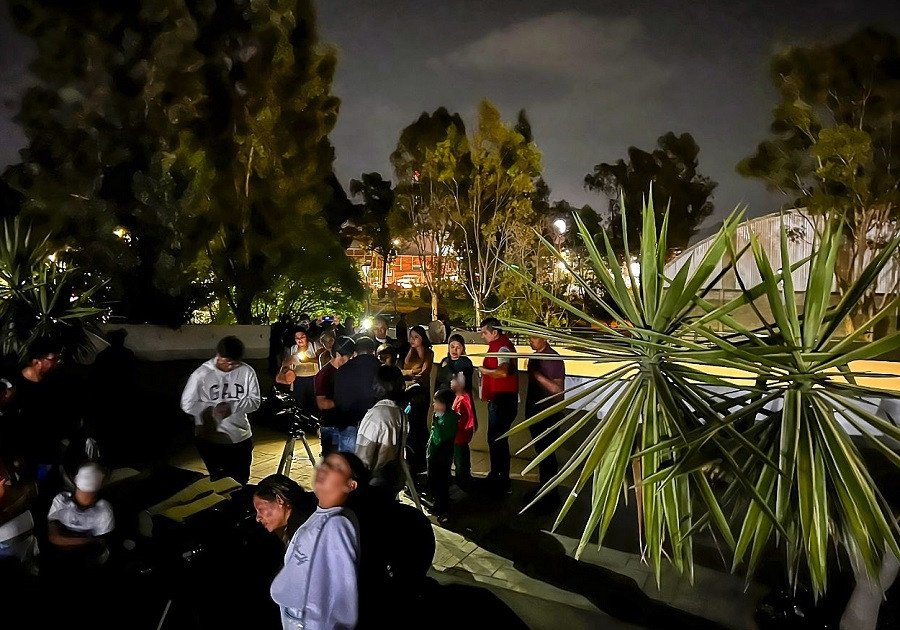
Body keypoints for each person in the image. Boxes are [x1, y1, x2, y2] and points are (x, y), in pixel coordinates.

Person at [270, 452, 367, 630]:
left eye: (336, 467)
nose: (324, 468)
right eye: (325, 463)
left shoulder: (337, 524)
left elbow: (339, 594)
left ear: (350, 485)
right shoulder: (323, 513)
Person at [180, 336, 261, 485]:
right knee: (219, 483)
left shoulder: (247, 371)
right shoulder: (201, 374)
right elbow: (186, 403)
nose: (231, 367)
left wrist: (232, 406)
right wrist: (209, 410)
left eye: (235, 363)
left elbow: (255, 402)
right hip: (211, 440)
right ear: (218, 355)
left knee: (241, 480)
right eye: (227, 362)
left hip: (241, 437)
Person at [478, 318, 519, 493]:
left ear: (495, 333)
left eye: (484, 332)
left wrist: (484, 371)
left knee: (497, 440)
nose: (482, 336)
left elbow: (503, 372)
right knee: (496, 440)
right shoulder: (502, 346)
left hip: (501, 401)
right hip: (501, 400)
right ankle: (498, 476)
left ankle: (501, 479)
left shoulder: (502, 348)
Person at [525, 330, 566, 504]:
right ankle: (543, 489)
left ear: (545, 338)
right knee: (541, 454)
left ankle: (550, 496)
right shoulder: (535, 358)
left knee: (548, 455)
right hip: (535, 412)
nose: (530, 341)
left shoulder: (553, 359)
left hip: (549, 414)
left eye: (534, 337)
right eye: (529, 337)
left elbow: (558, 391)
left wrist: (537, 375)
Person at [46, 463, 115, 564]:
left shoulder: (104, 510)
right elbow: (54, 537)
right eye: (82, 492)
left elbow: (101, 544)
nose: (86, 496)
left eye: (89, 494)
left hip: (87, 557)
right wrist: (86, 541)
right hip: (62, 554)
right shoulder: (61, 501)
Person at [355, 366, 407, 495]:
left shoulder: (376, 415)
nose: (373, 386)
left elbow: (363, 457)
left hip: (375, 483)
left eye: (376, 382)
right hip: (395, 478)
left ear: (387, 386)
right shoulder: (400, 412)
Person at [332, 337, 380, 453]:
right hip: (374, 423)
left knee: (348, 462)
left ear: (355, 353)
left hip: (348, 422)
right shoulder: (381, 369)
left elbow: (338, 400)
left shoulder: (342, 370)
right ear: (373, 352)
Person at [315, 337, 356, 457]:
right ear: (338, 354)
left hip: (349, 424)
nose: (351, 360)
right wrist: (344, 401)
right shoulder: (324, 374)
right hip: (331, 426)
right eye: (349, 357)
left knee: (349, 463)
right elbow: (322, 403)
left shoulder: (349, 371)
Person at [402, 325, 434, 477]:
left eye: (416, 337)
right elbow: (404, 370)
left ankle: (422, 461)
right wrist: (411, 373)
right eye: (411, 337)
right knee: (411, 426)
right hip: (410, 393)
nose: (412, 340)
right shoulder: (410, 353)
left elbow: (423, 373)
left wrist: (410, 373)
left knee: (420, 425)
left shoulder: (428, 353)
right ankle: (412, 461)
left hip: (422, 393)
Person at [252, 474, 316, 547]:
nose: (257, 518)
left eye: (260, 510)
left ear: (279, 500)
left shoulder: (301, 534)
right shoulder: (313, 501)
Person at [427, 389, 458, 515]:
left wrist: (436, 424)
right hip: (439, 455)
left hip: (439, 456)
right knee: (440, 481)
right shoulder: (448, 417)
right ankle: (440, 504)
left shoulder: (446, 419)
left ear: (444, 404)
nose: (434, 405)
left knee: (439, 482)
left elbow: (438, 439)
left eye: (436, 402)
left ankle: (441, 507)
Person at [451, 374, 476, 488]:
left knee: (460, 459)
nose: (451, 382)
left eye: (453, 380)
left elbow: (460, 418)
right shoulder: (464, 396)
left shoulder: (461, 399)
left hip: (459, 435)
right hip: (463, 434)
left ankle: (462, 482)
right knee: (463, 457)